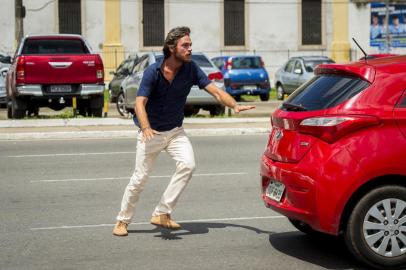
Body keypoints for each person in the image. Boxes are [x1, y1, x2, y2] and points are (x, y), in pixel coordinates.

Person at [113, 26, 255, 236]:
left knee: (188, 165)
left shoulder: (191, 69)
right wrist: (145, 127)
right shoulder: (154, 71)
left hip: (175, 131)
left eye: (190, 45)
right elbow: (140, 103)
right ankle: (122, 221)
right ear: (172, 48)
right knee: (139, 179)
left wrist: (233, 105)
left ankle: (162, 212)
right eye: (185, 45)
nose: (190, 49)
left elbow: (215, 90)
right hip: (150, 132)